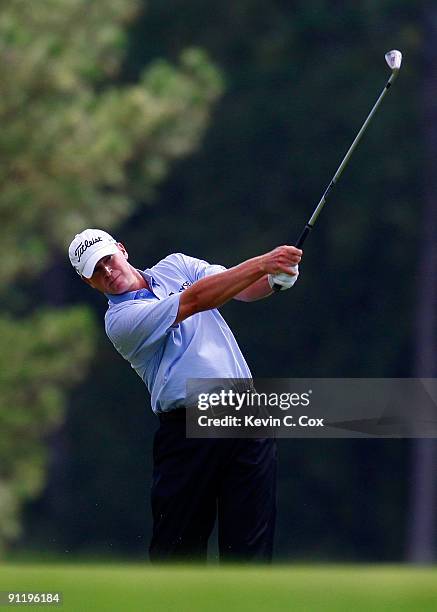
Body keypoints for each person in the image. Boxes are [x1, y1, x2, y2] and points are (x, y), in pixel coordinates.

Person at [68, 228, 302, 563]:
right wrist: (264, 262)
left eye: (107, 259)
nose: (107, 271)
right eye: (95, 271)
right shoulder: (120, 321)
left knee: (250, 549)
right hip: (189, 427)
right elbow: (195, 300)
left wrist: (274, 278)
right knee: (177, 553)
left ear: (122, 249)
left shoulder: (176, 266)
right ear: (88, 282)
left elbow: (239, 288)